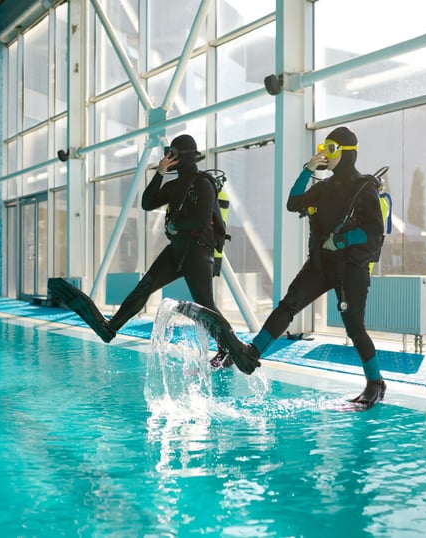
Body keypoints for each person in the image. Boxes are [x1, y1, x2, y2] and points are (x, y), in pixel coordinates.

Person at [48, 134, 257, 374]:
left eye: (173, 153)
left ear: (185, 155)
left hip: (198, 251)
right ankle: (110, 328)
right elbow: (147, 203)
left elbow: (201, 218)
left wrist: (177, 227)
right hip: (177, 250)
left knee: (206, 305)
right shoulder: (174, 183)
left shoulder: (203, 183)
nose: (169, 156)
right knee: (145, 286)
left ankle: (230, 350)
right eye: (168, 152)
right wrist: (159, 173)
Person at [243, 126, 387, 407]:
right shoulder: (323, 187)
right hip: (321, 264)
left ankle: (375, 383)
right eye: (323, 148)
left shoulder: (364, 188)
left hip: (351, 268)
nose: (325, 154)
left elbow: (374, 230)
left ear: (347, 154)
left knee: (354, 328)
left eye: (331, 149)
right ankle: (253, 352)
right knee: (289, 304)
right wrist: (307, 170)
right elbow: (293, 203)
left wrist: (342, 241)